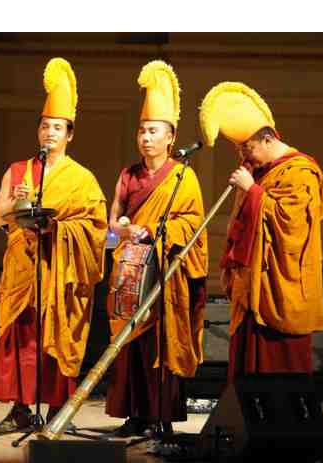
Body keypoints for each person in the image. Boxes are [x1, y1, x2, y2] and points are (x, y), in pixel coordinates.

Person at [0, 57, 108, 432]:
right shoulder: (18, 171)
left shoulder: (82, 179)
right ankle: (21, 408)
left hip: (61, 270)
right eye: (44, 126)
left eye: (57, 127)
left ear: (69, 135)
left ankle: (58, 410)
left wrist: (58, 229)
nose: (49, 133)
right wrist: (15, 204)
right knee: (22, 339)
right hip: (23, 270)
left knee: (57, 336)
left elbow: (96, 227)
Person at [199, 82, 323, 381]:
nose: (244, 157)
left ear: (268, 140)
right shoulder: (259, 173)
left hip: (280, 284)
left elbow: (291, 224)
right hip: (250, 283)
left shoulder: (301, 172)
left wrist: (253, 191)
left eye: (247, 148)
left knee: (278, 375)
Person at [105, 61, 208, 437]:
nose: (145, 138)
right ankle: (134, 415)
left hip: (165, 275)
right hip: (130, 272)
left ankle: (161, 417)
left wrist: (155, 233)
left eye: (153, 131)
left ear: (170, 137)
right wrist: (123, 231)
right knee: (131, 347)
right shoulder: (128, 175)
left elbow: (193, 223)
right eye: (142, 130)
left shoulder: (183, 176)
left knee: (159, 344)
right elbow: (112, 225)